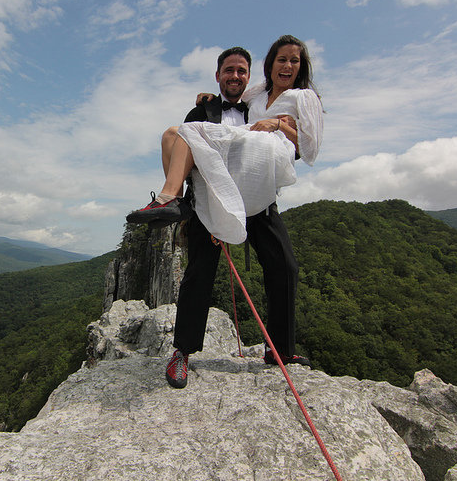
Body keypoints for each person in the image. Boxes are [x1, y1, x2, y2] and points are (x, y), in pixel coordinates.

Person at [128, 37, 323, 388]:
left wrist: (281, 125)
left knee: (284, 267)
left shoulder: (258, 105)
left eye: (241, 71)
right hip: (212, 198)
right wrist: (201, 209)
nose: (235, 76)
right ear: (218, 76)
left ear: (249, 78)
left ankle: (280, 349)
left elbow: (294, 149)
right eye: (229, 71)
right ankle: (182, 353)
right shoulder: (202, 112)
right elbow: (184, 154)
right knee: (199, 274)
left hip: (259, 201)